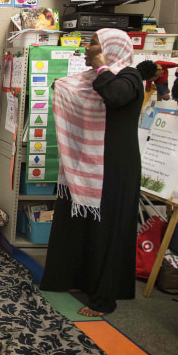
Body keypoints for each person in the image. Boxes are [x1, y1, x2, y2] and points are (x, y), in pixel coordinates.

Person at [40, 28, 143, 317]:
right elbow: (77, 92)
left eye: (94, 44)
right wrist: (63, 88)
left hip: (114, 167)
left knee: (107, 230)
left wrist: (101, 66)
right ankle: (76, 279)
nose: (87, 48)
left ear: (110, 49)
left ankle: (104, 298)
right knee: (79, 223)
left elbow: (115, 96)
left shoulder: (129, 77)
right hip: (86, 166)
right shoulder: (93, 78)